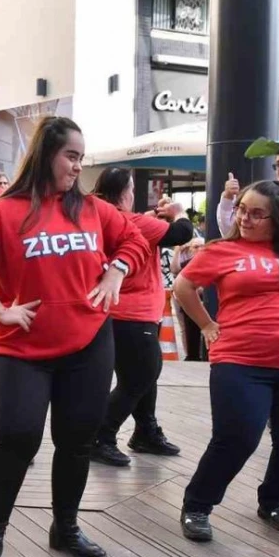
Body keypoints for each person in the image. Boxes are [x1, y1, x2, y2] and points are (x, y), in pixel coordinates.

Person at [0, 117, 148, 557]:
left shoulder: (95, 209)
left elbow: (134, 239)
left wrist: (116, 269)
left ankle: (66, 527)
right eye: (71, 156)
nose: (78, 166)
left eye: (81, 157)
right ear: (45, 155)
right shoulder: (4, 211)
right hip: (22, 348)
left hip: (89, 343)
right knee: (17, 438)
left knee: (76, 442)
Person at [173, 177, 279, 543]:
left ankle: (275, 501)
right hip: (242, 361)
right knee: (237, 437)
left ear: (278, 218)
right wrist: (207, 325)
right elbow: (184, 285)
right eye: (243, 209)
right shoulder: (222, 251)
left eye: (257, 214)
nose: (245, 218)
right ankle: (198, 504)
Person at [89, 167, 195, 467]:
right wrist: (178, 211)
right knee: (141, 376)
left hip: (113, 311)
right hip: (133, 313)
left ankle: (145, 431)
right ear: (124, 192)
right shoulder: (132, 222)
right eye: (132, 189)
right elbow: (182, 233)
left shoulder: (98, 218)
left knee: (141, 375)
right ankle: (102, 435)